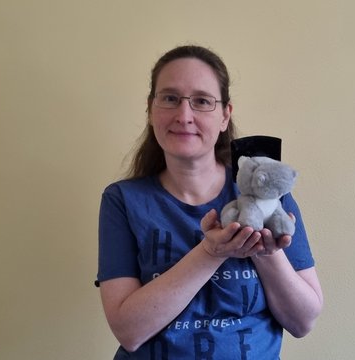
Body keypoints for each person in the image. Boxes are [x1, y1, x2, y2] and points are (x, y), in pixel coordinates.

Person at [96, 45, 323, 360]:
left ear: (224, 115)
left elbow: (303, 321)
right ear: (151, 109)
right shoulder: (122, 200)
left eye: (202, 101)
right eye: (170, 98)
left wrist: (266, 253)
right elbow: (129, 332)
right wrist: (210, 252)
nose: (184, 115)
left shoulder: (268, 193)